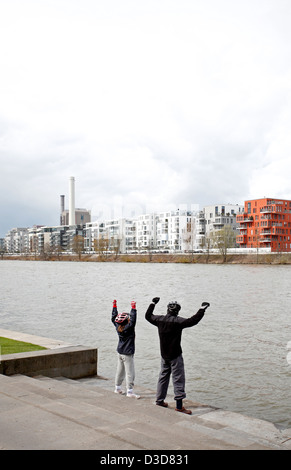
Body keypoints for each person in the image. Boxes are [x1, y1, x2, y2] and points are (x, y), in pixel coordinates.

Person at [145, 297, 210, 414]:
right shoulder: (178, 322)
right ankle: (179, 406)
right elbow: (193, 320)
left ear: (167, 309)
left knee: (163, 377)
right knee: (178, 379)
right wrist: (202, 309)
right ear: (178, 311)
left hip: (164, 355)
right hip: (175, 355)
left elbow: (148, 316)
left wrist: (152, 303)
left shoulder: (160, 320)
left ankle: (159, 401)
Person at [112, 299, 140, 399]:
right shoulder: (129, 328)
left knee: (119, 371)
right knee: (130, 373)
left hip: (120, 352)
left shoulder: (117, 327)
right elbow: (133, 321)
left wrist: (114, 306)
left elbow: (113, 318)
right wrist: (133, 308)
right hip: (128, 353)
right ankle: (130, 391)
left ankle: (117, 388)